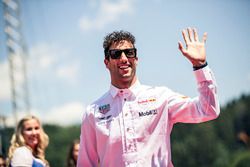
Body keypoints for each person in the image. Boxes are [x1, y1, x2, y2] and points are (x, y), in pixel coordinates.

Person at [77, 28, 220, 167]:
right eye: (116, 54)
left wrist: (200, 65)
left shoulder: (160, 97)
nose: (124, 58)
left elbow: (208, 110)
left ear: (136, 59)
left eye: (129, 52)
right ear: (106, 62)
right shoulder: (93, 112)